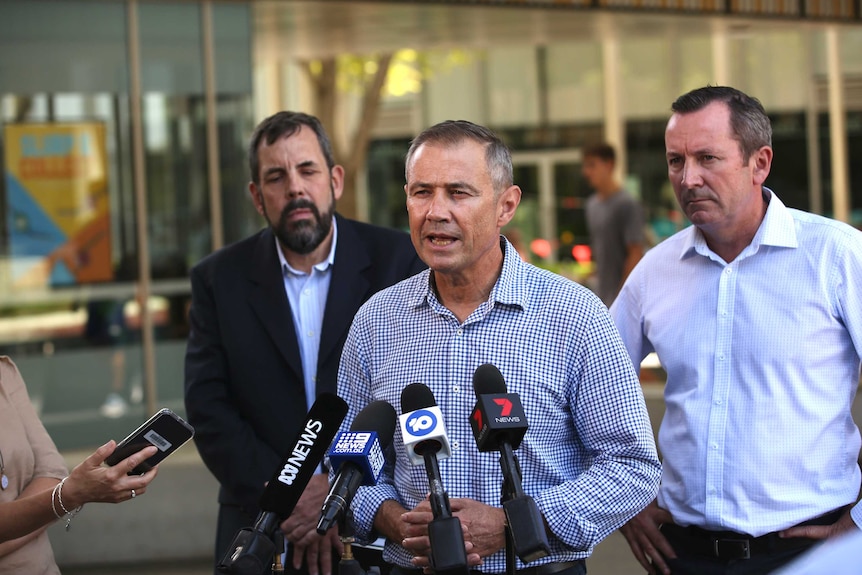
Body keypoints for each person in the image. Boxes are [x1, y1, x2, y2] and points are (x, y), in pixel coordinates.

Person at [337, 120, 662, 574]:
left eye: (458, 192)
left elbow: (632, 467)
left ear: (506, 206)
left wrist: (514, 523)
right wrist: (392, 519)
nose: (436, 211)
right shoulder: (376, 320)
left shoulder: (575, 316)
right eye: (421, 192)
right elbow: (348, 457)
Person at [609, 86, 862, 575]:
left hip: (815, 551)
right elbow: (586, 385)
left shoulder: (838, 256)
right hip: (684, 556)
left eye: (707, 158)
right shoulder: (655, 271)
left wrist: (860, 522)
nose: (688, 178)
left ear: (759, 163)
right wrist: (624, 503)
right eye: (676, 161)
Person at [184, 111, 426, 575]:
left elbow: (412, 390)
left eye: (307, 170)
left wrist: (337, 487)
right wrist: (289, 492)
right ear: (258, 196)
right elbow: (209, 408)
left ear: (334, 180)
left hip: (375, 523)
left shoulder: (401, 261)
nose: (294, 187)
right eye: (276, 176)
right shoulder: (219, 280)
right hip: (261, 526)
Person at [0, 356, 159, 574]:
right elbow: (58, 489)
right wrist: (67, 497)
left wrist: (16, 525)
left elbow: (52, 471)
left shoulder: (5, 373)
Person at [582, 142, 645, 307]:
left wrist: (622, 297)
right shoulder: (591, 205)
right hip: (601, 295)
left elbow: (635, 252)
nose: (586, 172)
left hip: (622, 299)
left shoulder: (627, 204)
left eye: (592, 165)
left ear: (609, 165)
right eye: (585, 166)